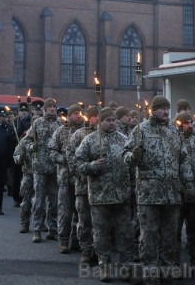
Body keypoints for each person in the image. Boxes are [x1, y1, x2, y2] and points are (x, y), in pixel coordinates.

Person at [123, 95, 195, 285]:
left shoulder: (173, 130)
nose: (165, 112)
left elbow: (183, 159)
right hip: (149, 194)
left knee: (169, 237)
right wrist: (133, 156)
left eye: (167, 109)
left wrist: (188, 185)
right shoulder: (141, 130)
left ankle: (166, 271)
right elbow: (125, 155)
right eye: (162, 108)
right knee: (149, 236)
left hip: (171, 194)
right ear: (153, 110)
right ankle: (150, 272)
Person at [75, 107, 134, 282]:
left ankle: (125, 267)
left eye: (113, 120)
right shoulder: (90, 140)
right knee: (101, 234)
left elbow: (132, 164)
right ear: (100, 122)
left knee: (125, 233)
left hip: (122, 196)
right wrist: (92, 166)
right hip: (99, 197)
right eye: (107, 120)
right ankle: (104, 266)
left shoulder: (125, 140)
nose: (111, 123)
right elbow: (77, 163)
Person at [23, 97, 60, 242]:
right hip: (40, 167)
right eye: (49, 107)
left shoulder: (59, 124)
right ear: (44, 110)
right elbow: (26, 141)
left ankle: (53, 229)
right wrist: (33, 147)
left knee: (54, 201)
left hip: (54, 167)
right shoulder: (37, 123)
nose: (52, 110)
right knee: (39, 200)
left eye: (54, 107)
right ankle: (37, 228)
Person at [48, 103, 83, 253]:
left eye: (80, 113)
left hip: (81, 178)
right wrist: (64, 159)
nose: (78, 116)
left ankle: (76, 240)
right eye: (75, 113)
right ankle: (63, 240)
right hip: (65, 178)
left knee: (80, 212)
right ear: (69, 116)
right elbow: (51, 151)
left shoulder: (85, 132)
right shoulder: (61, 132)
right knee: (65, 211)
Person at [67, 105, 99, 265]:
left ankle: (99, 250)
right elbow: (71, 155)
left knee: (99, 222)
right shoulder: (79, 135)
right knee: (84, 219)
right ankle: (86, 250)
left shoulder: (106, 136)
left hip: (101, 188)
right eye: (94, 116)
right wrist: (79, 174)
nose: (97, 119)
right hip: (83, 185)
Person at [174, 111, 195, 269]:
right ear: (179, 124)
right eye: (186, 123)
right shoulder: (174, 141)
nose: (190, 125)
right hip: (178, 195)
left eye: (191, 122)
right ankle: (175, 265)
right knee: (174, 232)